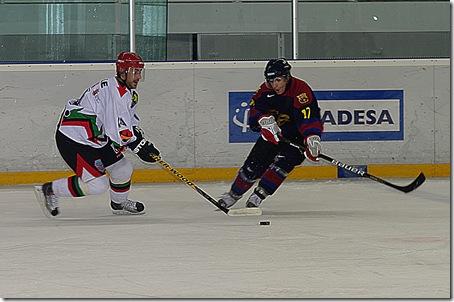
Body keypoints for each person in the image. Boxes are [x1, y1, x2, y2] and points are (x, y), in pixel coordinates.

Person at [34, 51, 160, 217]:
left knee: (123, 169)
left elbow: (128, 124)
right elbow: (117, 133)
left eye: (139, 72)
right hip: (74, 139)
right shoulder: (116, 94)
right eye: (134, 72)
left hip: (95, 138)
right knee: (98, 185)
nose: (138, 76)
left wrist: (140, 141)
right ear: (123, 72)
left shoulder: (126, 92)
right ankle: (50, 190)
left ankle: (119, 204)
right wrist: (137, 145)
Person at [218, 58, 323, 209]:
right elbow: (254, 115)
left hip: (297, 137)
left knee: (283, 165)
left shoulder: (301, 90)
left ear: (287, 77)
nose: (275, 85)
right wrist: (262, 120)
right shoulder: (265, 90)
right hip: (273, 133)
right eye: (271, 80)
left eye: (278, 80)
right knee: (253, 165)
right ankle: (233, 195)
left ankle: (259, 195)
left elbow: (309, 117)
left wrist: (312, 137)